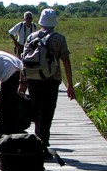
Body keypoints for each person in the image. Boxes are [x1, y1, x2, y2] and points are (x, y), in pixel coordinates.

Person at [24, 8, 76, 152]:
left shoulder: (31, 37)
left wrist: (23, 83)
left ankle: (38, 141)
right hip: (51, 79)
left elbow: (25, 60)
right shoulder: (59, 38)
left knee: (36, 111)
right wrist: (70, 85)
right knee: (47, 112)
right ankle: (42, 144)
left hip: (33, 79)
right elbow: (66, 61)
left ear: (41, 21)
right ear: (54, 22)